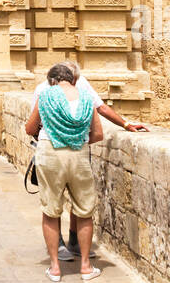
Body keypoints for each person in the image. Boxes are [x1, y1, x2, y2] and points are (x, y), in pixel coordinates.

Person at [56, 62, 149, 261]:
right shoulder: (45, 89)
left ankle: (73, 241)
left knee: (74, 199)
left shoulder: (81, 86)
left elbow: (101, 108)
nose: (75, 82)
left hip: (71, 150)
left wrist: (125, 123)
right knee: (59, 200)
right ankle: (58, 244)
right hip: (57, 151)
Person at [24, 63, 102, 283]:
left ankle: (55, 268)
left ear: (52, 80)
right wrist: (78, 140)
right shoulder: (86, 97)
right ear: (73, 80)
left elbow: (30, 129)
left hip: (50, 154)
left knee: (51, 209)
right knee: (84, 210)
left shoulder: (46, 95)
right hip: (79, 155)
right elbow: (98, 134)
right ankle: (86, 266)